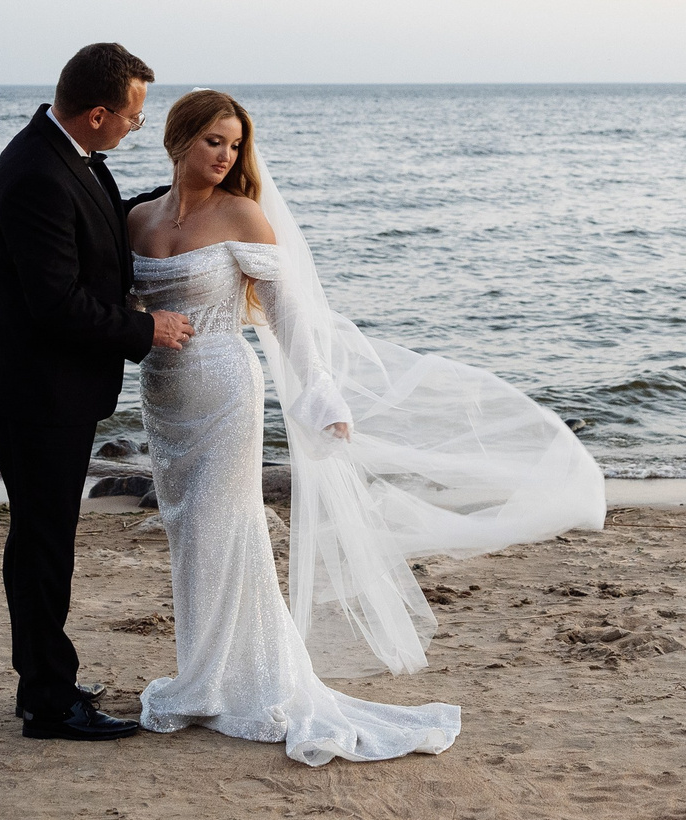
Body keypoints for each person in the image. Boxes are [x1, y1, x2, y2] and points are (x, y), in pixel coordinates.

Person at [126, 90, 605, 765]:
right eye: (214, 141)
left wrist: (322, 396)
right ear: (178, 140)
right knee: (188, 534)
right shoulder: (138, 218)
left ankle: (237, 682)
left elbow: (289, 316)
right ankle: (205, 673)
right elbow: (125, 307)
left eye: (234, 144)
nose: (226, 155)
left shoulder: (244, 216)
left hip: (226, 391)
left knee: (225, 528)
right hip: (163, 395)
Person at [0, 43, 193, 741]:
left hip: (48, 387)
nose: (135, 126)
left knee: (44, 537)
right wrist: (144, 327)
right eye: (131, 116)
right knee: (43, 542)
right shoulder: (38, 172)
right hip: (36, 390)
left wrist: (181, 200)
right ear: (98, 113)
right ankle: (48, 701)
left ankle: (44, 676)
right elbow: (55, 305)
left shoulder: (71, 156)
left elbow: (99, 224)